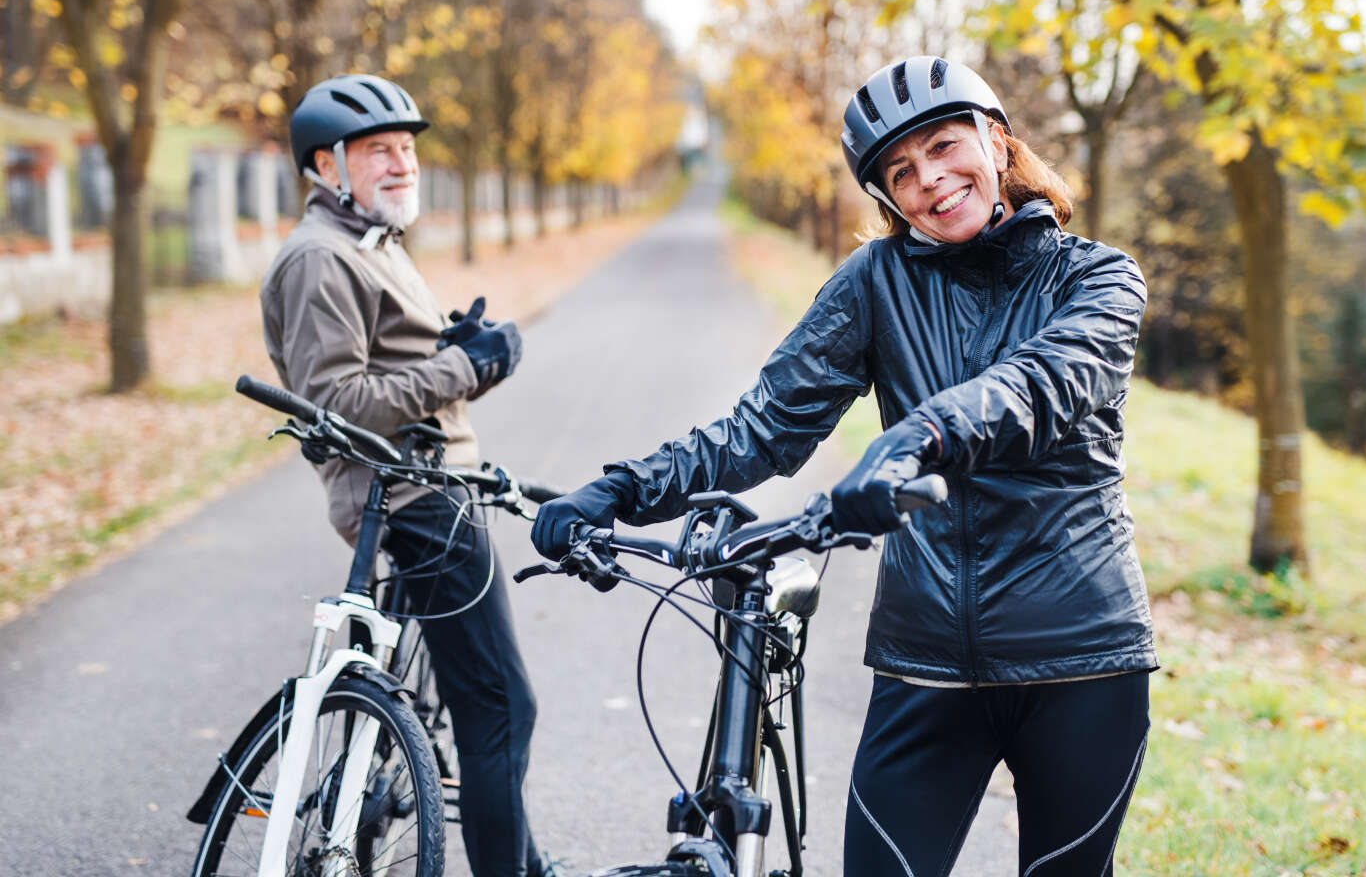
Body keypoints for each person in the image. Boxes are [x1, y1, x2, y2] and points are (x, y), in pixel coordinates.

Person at [532, 56, 1155, 876]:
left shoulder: (1097, 277)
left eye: (942, 146)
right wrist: (621, 489)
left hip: (1080, 655)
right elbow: (763, 430)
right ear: (887, 198)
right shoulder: (875, 283)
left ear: (996, 142)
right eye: (901, 171)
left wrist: (912, 441)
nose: (930, 179)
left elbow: (1039, 385)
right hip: (924, 659)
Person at [260, 73, 550, 877]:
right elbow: (338, 402)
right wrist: (461, 367)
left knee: (477, 703)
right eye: (379, 150)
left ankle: (527, 859)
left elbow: (388, 364)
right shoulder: (320, 259)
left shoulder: (367, 244)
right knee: (499, 709)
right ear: (327, 165)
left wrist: (456, 351)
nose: (402, 164)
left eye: (409, 150)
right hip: (413, 498)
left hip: (431, 486)